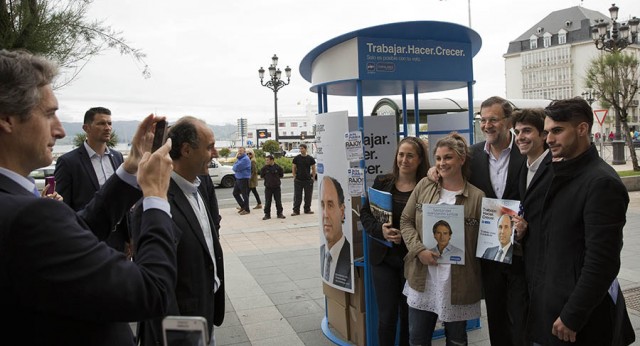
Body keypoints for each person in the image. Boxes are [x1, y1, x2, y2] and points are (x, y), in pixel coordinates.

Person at [0, 49, 177, 345]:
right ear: (7, 119)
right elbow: (152, 292)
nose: (58, 130)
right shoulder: (30, 217)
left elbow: (77, 227)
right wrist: (156, 198)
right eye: (48, 114)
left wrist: (130, 167)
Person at [532, 98, 635, 345]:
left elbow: (603, 262)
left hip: (582, 321)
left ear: (582, 129)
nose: (549, 139)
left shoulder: (601, 183)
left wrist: (573, 315)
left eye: (557, 130)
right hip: (553, 309)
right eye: (547, 132)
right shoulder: (560, 171)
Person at [133, 116, 225, 346]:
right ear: (185, 150)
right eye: (210, 147)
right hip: (181, 327)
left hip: (206, 311)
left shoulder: (199, 184)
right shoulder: (155, 202)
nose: (215, 154)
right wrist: (178, 336)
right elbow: (157, 284)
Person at [400, 133, 484, 345]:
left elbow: (486, 238)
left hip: (458, 281)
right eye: (438, 158)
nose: (441, 163)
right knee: (417, 339)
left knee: (456, 340)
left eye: (448, 158)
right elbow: (406, 220)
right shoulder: (424, 186)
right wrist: (419, 250)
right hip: (423, 278)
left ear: (461, 159)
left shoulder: (476, 196)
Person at [360, 136, 430, 346]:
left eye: (410, 155)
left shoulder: (426, 187)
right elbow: (365, 214)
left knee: (409, 316)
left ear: (419, 160)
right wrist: (380, 231)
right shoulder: (382, 182)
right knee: (387, 316)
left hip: (413, 260)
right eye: (401, 154)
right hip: (384, 259)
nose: (404, 160)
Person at [469, 96, 527, 345]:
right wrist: (433, 171)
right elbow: (448, 173)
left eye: (493, 119)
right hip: (491, 254)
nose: (487, 125)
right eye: (483, 120)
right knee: (496, 317)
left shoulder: (527, 151)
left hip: (524, 252)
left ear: (509, 121)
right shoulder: (472, 156)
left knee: (523, 317)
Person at [54, 106, 130, 253]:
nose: (107, 128)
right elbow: (64, 207)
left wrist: (128, 237)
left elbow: (122, 200)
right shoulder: (69, 162)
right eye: (101, 123)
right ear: (86, 128)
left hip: (118, 240)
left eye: (109, 123)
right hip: (86, 239)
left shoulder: (118, 157)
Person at [511, 107, 552, 344]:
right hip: (525, 266)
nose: (520, 137)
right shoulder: (523, 168)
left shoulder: (555, 169)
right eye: (517, 132)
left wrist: (529, 228)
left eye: (527, 131)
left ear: (543, 135)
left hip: (547, 269)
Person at [319, 175, 351, 289]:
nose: (325, 215)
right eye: (323, 205)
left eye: (330, 205)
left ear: (342, 212)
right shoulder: (322, 251)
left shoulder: (351, 258)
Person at [291, 143, 316, 216]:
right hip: (298, 180)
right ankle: (296, 210)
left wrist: (313, 177)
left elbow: (313, 168)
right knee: (297, 196)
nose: (301, 150)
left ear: (306, 149)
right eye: (300, 148)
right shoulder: (296, 158)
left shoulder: (310, 158)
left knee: (308, 196)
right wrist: (294, 176)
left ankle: (307, 209)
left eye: (302, 148)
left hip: (308, 180)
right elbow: (293, 167)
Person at [260, 154, 286, 220]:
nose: (266, 162)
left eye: (267, 160)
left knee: (278, 201)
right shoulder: (264, 168)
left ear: (272, 160)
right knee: (268, 201)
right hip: (268, 187)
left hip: (276, 187)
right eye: (266, 160)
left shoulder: (278, 168)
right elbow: (262, 176)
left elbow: (281, 175)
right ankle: (267, 214)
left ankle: (280, 213)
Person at [232, 146, 251, 215]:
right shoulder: (240, 159)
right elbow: (234, 166)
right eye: (239, 151)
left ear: (244, 152)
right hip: (238, 178)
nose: (239, 152)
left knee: (244, 194)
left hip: (244, 178)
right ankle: (243, 206)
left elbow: (236, 168)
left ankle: (247, 209)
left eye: (241, 151)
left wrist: (235, 166)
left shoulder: (245, 159)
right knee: (235, 193)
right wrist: (235, 165)